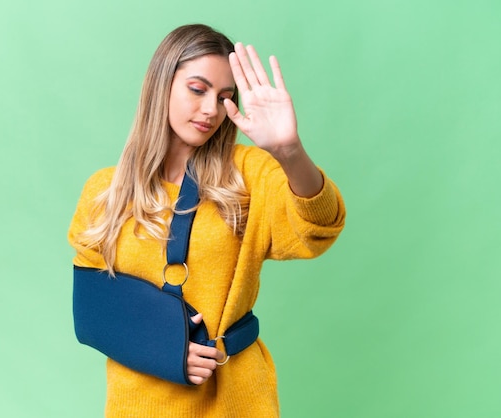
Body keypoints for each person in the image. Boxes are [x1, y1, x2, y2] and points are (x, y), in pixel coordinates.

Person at [68, 23, 346, 417]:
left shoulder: (247, 173)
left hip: (237, 398)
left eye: (225, 97)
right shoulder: (105, 192)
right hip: (139, 403)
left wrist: (290, 152)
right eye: (197, 90)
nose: (211, 110)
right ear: (161, 85)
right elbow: (93, 309)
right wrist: (163, 347)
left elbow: (319, 228)